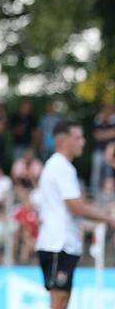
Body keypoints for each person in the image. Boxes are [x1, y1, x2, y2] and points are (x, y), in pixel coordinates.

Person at [35, 120, 115, 309]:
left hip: (64, 243)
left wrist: (101, 213)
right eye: (78, 137)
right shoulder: (60, 166)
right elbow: (75, 207)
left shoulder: (62, 167)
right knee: (59, 301)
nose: (83, 142)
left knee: (62, 301)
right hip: (57, 243)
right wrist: (107, 218)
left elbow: (75, 205)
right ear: (64, 140)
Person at [91, 104, 115, 196]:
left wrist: (103, 134)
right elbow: (96, 135)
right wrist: (109, 134)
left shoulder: (112, 121)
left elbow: (113, 133)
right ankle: (94, 193)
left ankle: (108, 194)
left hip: (109, 152)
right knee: (96, 173)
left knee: (108, 173)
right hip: (99, 151)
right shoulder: (98, 120)